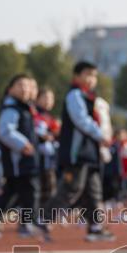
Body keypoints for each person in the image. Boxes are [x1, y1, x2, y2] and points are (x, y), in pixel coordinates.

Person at [39, 61, 113, 241]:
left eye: (94, 75)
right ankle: (42, 220)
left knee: (93, 191)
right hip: (77, 153)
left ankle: (95, 227)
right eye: (87, 74)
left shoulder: (91, 98)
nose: (91, 79)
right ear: (77, 76)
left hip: (90, 153)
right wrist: (100, 134)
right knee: (71, 188)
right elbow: (81, 120)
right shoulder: (75, 95)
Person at [0, 73, 39, 238]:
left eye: (28, 86)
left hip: (24, 160)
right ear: (10, 89)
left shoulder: (24, 108)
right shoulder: (12, 108)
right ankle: (26, 224)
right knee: (29, 191)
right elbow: (5, 131)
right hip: (18, 160)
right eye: (20, 85)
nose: (25, 89)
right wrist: (23, 144)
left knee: (14, 192)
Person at [33, 86, 59, 219]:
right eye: (46, 98)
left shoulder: (50, 118)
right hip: (36, 158)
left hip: (49, 159)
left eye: (51, 98)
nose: (49, 101)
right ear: (37, 99)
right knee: (36, 188)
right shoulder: (33, 115)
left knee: (50, 187)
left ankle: (44, 215)